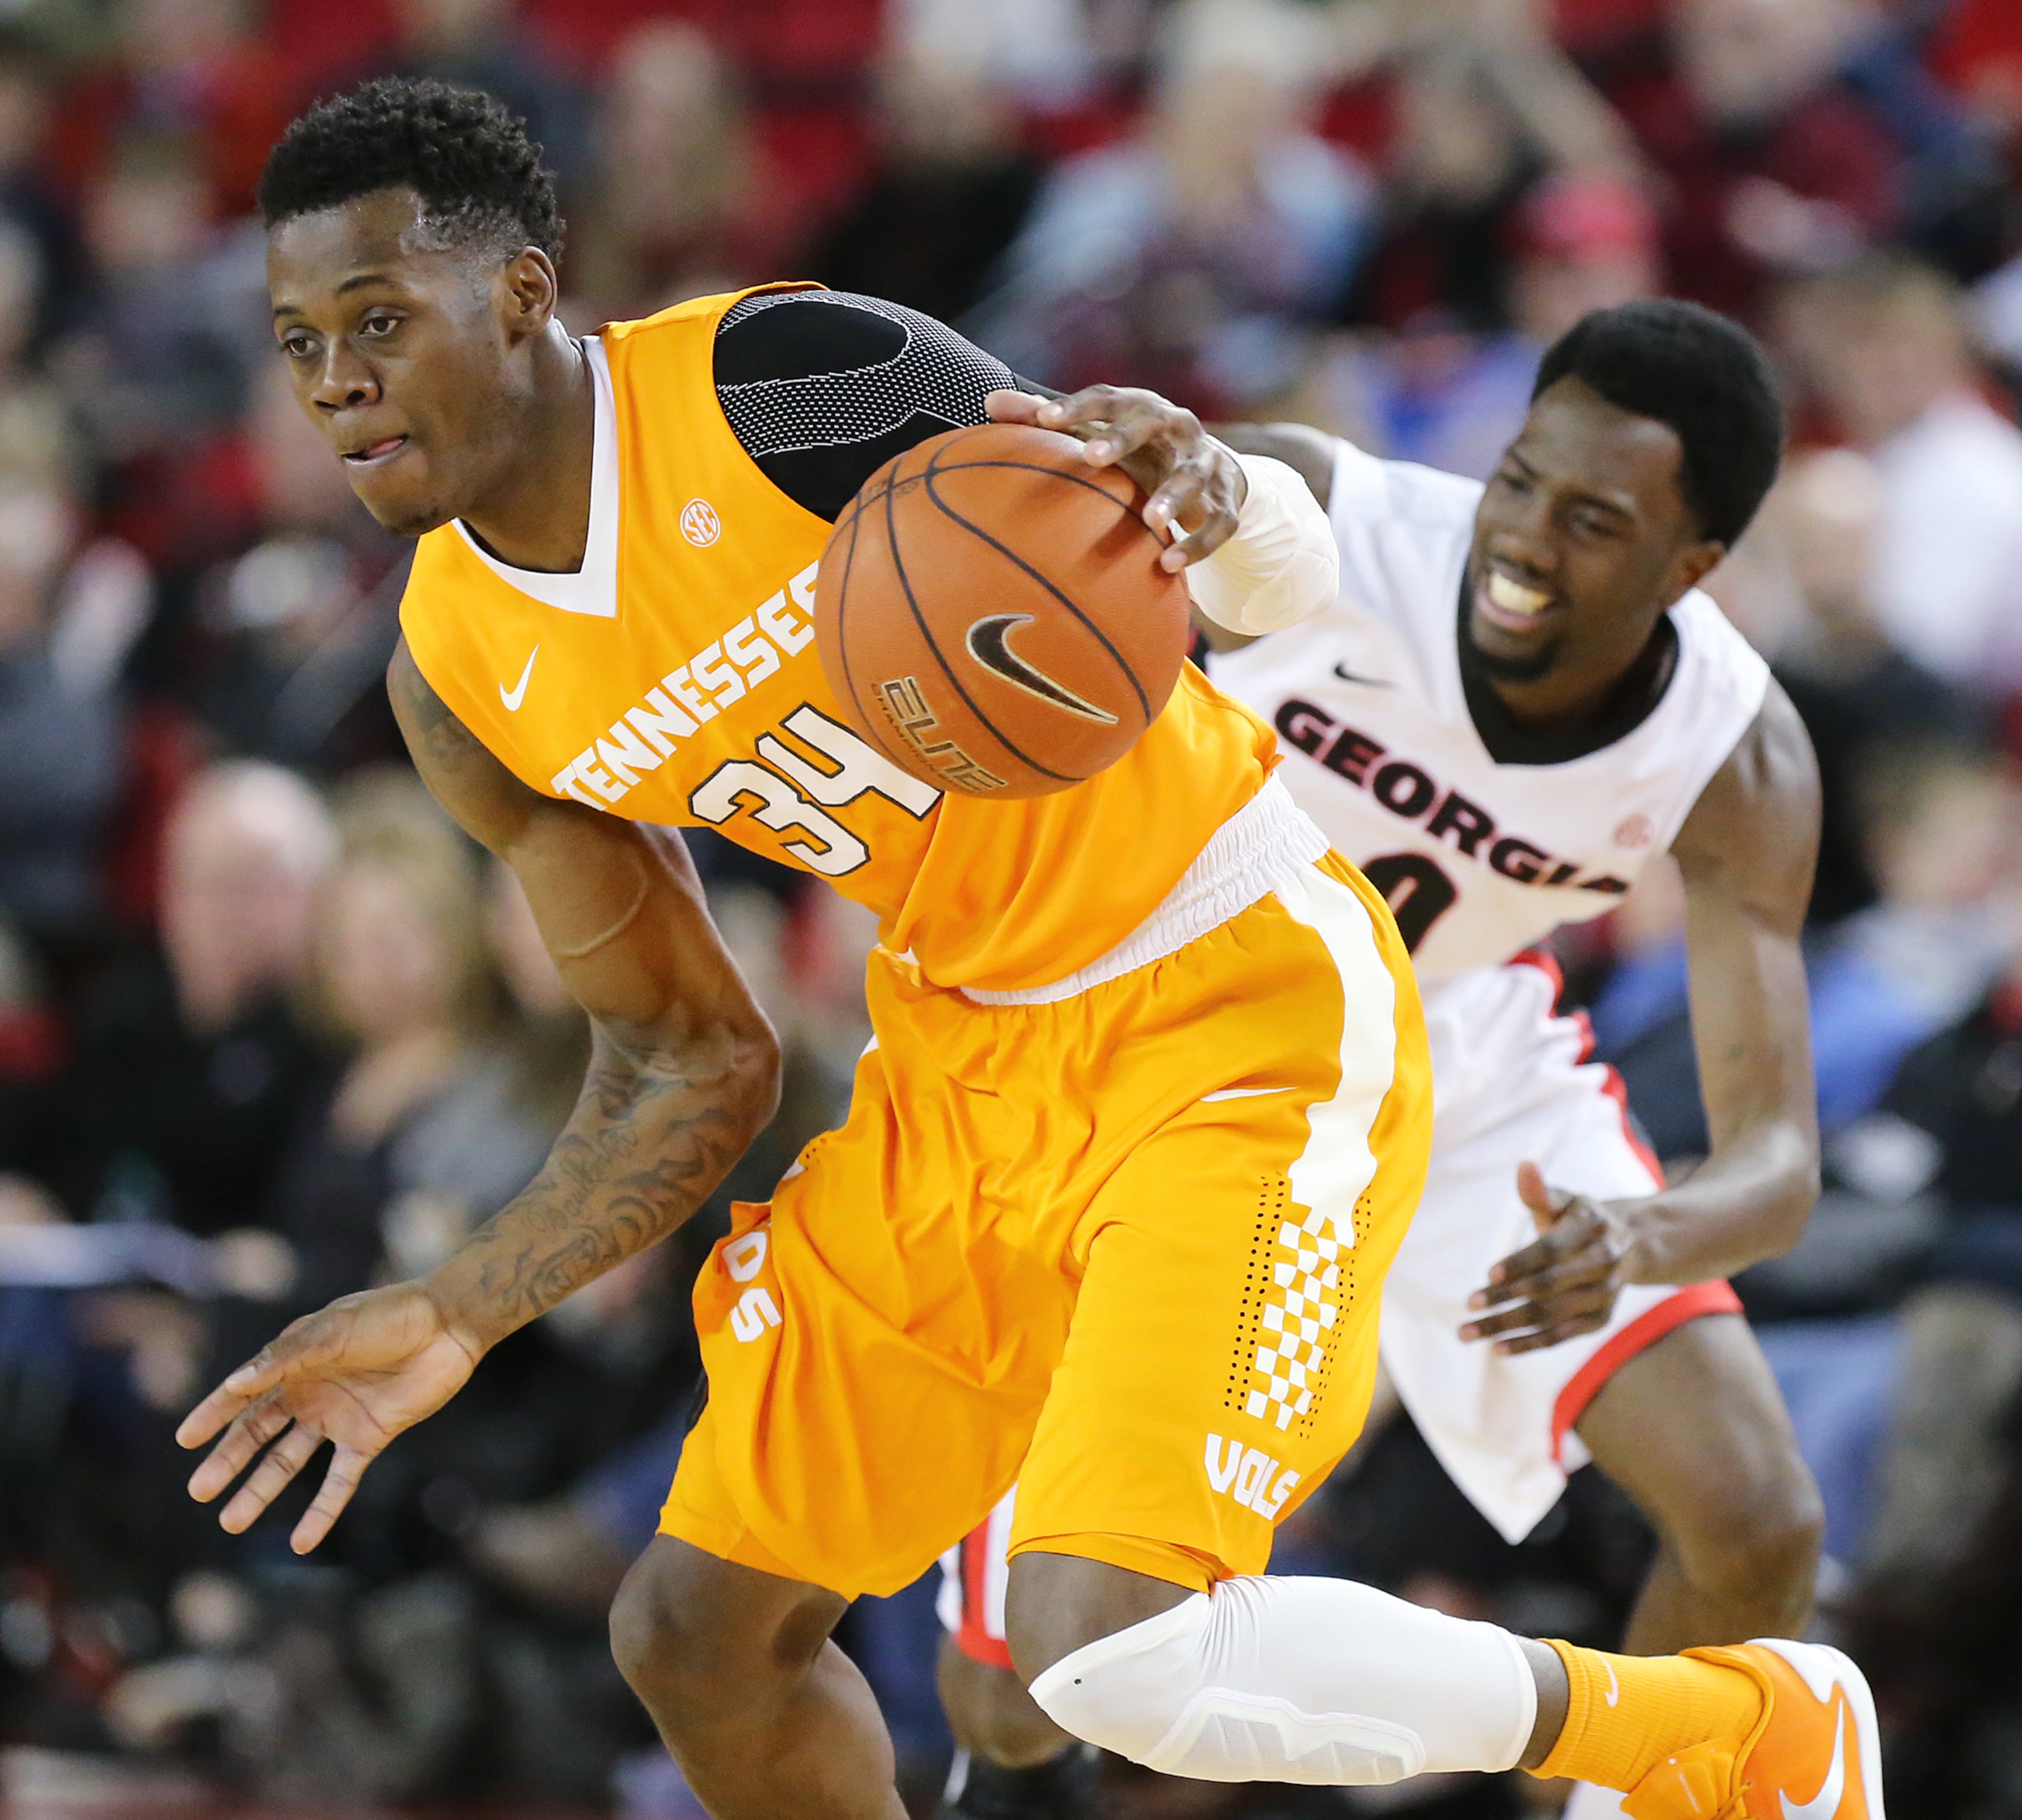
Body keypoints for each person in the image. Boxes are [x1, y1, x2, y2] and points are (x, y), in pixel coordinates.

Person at [177, 80, 1876, 1820]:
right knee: (703, 1636)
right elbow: (695, 1055)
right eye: (300, 339)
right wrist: (464, 1309)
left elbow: (1193, 542)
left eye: (379, 321)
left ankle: (1729, 1733)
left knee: (1119, 1653)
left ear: (525, 295)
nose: (334, 383)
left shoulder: (783, 379)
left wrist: (1213, 494)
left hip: (1227, 996)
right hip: (961, 1066)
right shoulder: (452, 676)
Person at [938, 301, 1835, 1820]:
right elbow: (1147, 515)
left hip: (1446, 1055)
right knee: (1027, 1695)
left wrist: (1645, 1234)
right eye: (1520, 482)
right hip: (1168, 1058)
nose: (1528, 542)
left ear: (1691, 569)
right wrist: (1152, 470)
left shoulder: (1738, 757)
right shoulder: (1337, 524)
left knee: (1756, 1521)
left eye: (1596, 521)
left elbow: (1780, 1166)